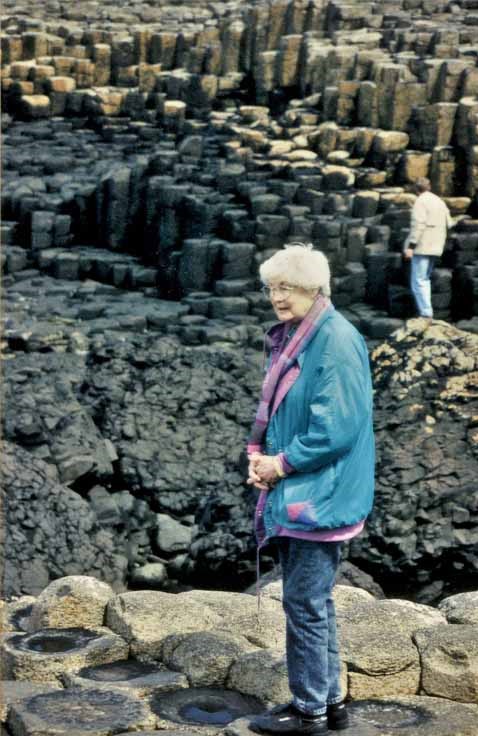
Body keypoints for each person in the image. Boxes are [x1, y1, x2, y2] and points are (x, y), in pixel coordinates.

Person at [246, 243, 375, 736]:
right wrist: (260, 459)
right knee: (314, 600)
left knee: (303, 603)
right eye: (273, 287)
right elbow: (286, 413)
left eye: (288, 287)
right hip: (311, 490)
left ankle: (308, 713)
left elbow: (334, 429)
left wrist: (278, 464)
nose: (278, 297)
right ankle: (330, 702)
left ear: (314, 288)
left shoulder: (335, 341)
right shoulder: (303, 336)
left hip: (322, 495)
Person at [403, 177, 453, 319]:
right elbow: (449, 223)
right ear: (429, 187)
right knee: (425, 279)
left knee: (418, 281)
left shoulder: (420, 202)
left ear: (415, 189)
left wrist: (411, 246)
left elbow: (418, 225)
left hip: (422, 246)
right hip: (436, 246)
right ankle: (427, 311)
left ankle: (426, 313)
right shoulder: (439, 201)